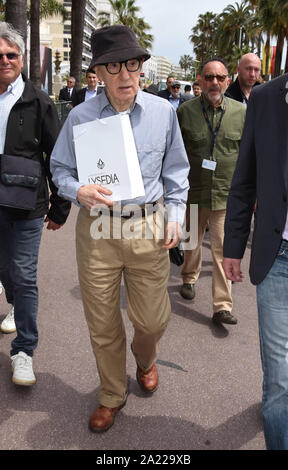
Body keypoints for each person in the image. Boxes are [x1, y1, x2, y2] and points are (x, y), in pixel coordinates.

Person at [51, 24, 189, 433]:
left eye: (132, 64)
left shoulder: (164, 112)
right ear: (99, 72)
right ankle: (112, 393)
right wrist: (79, 190)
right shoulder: (80, 116)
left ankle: (145, 358)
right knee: (103, 322)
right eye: (114, 67)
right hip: (96, 230)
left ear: (141, 68)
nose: (125, 75)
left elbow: (176, 171)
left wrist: (178, 216)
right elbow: (59, 169)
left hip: (147, 226)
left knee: (150, 322)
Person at [0, 22, 71, 384]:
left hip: (28, 207)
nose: (4, 60)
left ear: (22, 58)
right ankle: (13, 303)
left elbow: (56, 158)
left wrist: (60, 207)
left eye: (11, 55)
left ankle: (24, 350)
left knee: (25, 275)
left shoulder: (39, 101)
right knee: (5, 271)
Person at [222, 73, 288, 450]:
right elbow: (244, 178)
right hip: (277, 256)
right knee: (280, 379)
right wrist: (233, 245)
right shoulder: (265, 98)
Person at [177, 58, 246, 325]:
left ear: (228, 81)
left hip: (226, 195)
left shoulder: (241, 113)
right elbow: (174, 154)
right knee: (192, 242)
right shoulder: (186, 111)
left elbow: (249, 156)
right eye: (208, 77)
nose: (214, 82)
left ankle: (222, 306)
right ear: (200, 80)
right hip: (194, 192)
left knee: (221, 250)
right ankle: (188, 278)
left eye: (219, 77)